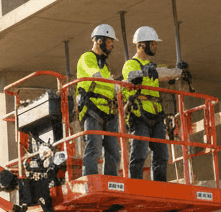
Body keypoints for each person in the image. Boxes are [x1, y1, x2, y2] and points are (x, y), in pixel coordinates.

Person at [121, 27, 188, 181]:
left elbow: (162, 72)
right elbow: (132, 77)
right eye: (152, 43)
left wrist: (178, 71)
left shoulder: (152, 67)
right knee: (139, 153)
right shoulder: (130, 64)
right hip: (139, 114)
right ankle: (135, 185)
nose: (155, 46)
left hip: (156, 114)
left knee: (162, 154)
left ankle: (160, 185)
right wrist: (145, 71)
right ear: (141, 45)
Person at [75, 24, 120, 176]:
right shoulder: (87, 57)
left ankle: (112, 182)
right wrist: (114, 84)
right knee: (94, 147)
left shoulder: (104, 65)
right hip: (93, 108)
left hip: (108, 110)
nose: (111, 46)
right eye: (109, 42)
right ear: (99, 41)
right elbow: (95, 76)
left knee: (113, 150)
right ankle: (90, 178)